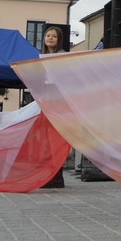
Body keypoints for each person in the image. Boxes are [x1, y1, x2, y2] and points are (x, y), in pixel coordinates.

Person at [41, 25, 67, 188]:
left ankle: (56, 176)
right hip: (49, 96)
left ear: (59, 40)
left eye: (54, 36)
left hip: (57, 97)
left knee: (55, 136)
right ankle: (52, 174)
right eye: (48, 35)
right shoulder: (45, 56)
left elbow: (63, 78)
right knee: (48, 138)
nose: (50, 38)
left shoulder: (61, 56)